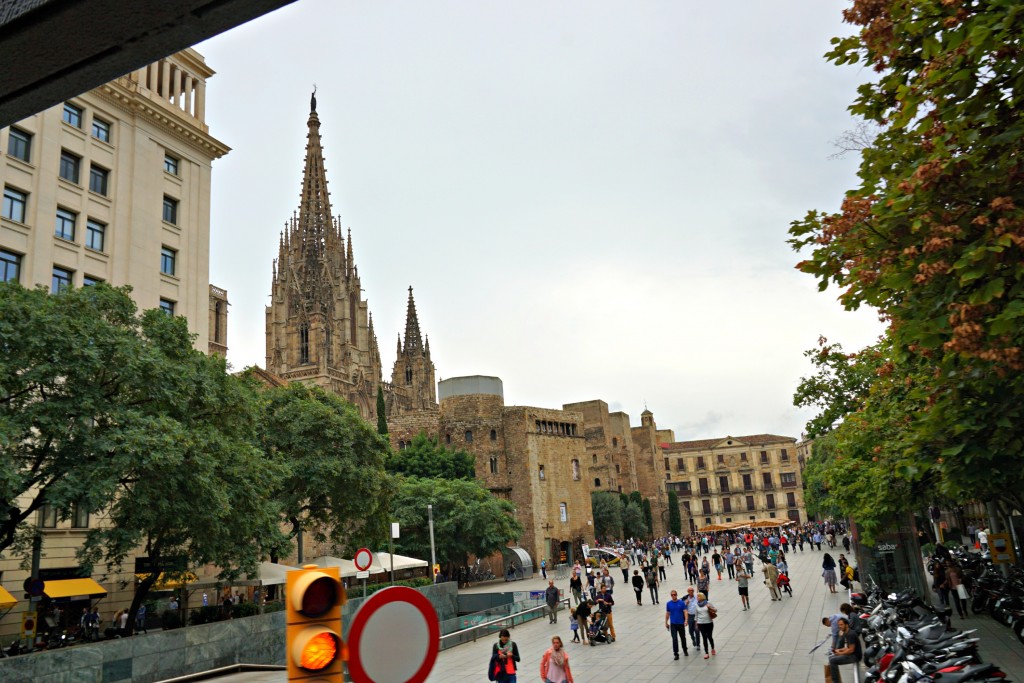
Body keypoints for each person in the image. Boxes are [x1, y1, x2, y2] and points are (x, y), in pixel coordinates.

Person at [828, 617, 862, 683]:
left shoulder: (850, 634)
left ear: (846, 625)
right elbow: (848, 647)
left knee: (832, 661)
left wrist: (840, 653)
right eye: (839, 625)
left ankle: (836, 681)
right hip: (852, 654)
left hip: (855, 656)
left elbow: (851, 650)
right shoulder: (847, 633)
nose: (839, 627)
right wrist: (839, 650)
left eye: (841, 625)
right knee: (831, 658)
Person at [664, 589, 690, 659]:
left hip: (681, 623)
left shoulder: (681, 603)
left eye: (674, 595)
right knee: (674, 639)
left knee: (683, 638)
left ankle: (685, 650)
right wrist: (666, 622)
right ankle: (676, 653)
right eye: (672, 595)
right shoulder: (668, 604)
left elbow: (685, 612)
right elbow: (667, 613)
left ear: (676, 595)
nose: (673, 596)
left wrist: (686, 620)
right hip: (673, 624)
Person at [694, 591, 716, 659]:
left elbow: (715, 610)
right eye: (697, 596)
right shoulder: (696, 605)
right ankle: (706, 652)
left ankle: (712, 648)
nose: (697, 598)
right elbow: (696, 615)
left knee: (709, 636)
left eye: (698, 596)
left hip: (709, 622)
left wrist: (710, 608)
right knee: (704, 637)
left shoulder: (708, 603)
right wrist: (696, 623)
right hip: (701, 623)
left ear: (702, 597)